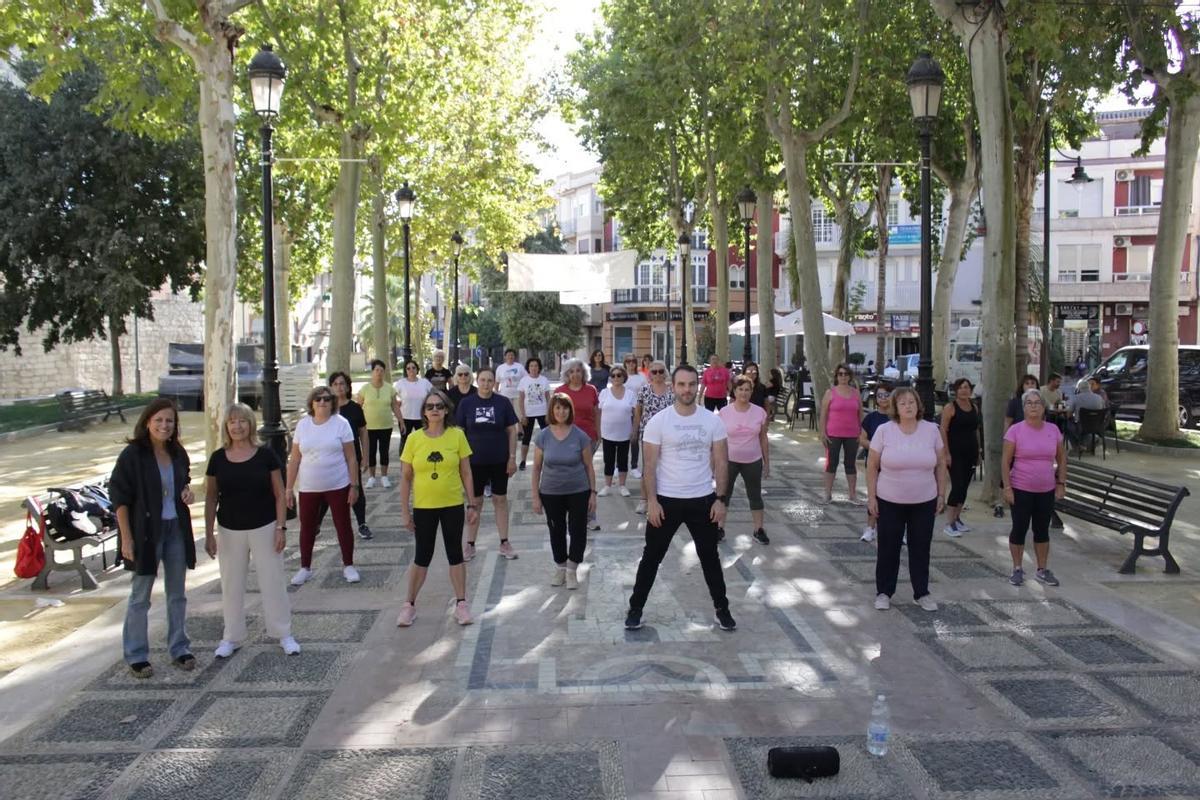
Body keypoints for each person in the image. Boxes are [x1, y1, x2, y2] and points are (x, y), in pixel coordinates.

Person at [626, 365, 735, 631]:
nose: (687, 389)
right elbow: (649, 466)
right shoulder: (658, 422)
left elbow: (722, 463)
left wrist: (721, 500)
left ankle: (722, 609)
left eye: (691, 384)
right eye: (681, 385)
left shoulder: (712, 421)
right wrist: (651, 501)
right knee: (651, 557)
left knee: (710, 558)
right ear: (673, 387)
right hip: (666, 501)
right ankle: (635, 609)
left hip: (703, 501)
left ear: (697, 386)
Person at [110, 398, 197, 678]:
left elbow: (183, 482)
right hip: (146, 533)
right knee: (140, 596)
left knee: (177, 594)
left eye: (169, 421)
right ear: (148, 421)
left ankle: (179, 647)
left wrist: (186, 492)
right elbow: (120, 498)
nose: (164, 425)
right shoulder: (133, 455)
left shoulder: (178, 452)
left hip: (175, 531)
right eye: (158, 420)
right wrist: (126, 538)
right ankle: (136, 654)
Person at [204, 404, 299, 658]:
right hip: (229, 529)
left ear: (250, 424)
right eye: (232, 422)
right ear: (226, 426)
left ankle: (283, 633)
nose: (237, 426)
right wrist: (209, 532)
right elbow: (212, 497)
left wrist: (281, 527)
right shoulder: (217, 458)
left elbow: (280, 494)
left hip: (265, 526)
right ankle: (231, 637)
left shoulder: (265, 455)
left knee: (273, 582)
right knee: (231, 585)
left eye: (242, 421)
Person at [396, 389, 479, 627]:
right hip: (424, 507)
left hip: (452, 504)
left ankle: (461, 604)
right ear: (424, 412)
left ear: (446, 411)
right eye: (430, 406)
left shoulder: (457, 436)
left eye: (439, 406)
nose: (434, 410)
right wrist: (405, 511)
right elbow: (405, 479)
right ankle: (409, 605)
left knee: (455, 554)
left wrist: (472, 503)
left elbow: (466, 472)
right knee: (422, 556)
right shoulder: (414, 439)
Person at [866, 387, 947, 613]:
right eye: (903, 403)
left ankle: (921, 592)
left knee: (921, 547)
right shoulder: (884, 431)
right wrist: (871, 497)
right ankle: (884, 592)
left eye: (912, 402)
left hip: (924, 500)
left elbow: (941, 463)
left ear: (918, 405)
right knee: (888, 548)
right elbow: (872, 465)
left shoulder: (931, 430)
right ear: (895, 408)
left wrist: (941, 493)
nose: (908, 406)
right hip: (889, 500)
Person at [286, 386, 361, 586]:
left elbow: (351, 457)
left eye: (326, 399)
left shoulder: (341, 424)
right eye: (318, 399)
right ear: (311, 402)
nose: (322, 402)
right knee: (307, 527)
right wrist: (288, 488)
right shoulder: (303, 425)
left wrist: (354, 486)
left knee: (342, 524)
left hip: (338, 484)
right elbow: (294, 459)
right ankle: (305, 567)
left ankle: (348, 565)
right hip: (309, 486)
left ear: (332, 402)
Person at [532, 394, 598, 590]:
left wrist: (593, 493)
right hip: (551, 492)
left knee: (578, 530)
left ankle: (572, 569)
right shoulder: (543, 436)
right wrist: (535, 496)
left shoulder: (580, 436)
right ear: (552, 410)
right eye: (557, 408)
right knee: (556, 530)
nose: (561, 412)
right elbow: (536, 467)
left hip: (578, 490)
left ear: (570, 410)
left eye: (565, 408)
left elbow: (589, 466)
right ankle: (560, 566)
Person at [1002, 390, 1066, 587]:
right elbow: (1005, 461)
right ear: (1024, 407)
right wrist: (1007, 488)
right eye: (1029, 403)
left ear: (1043, 406)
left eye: (1037, 403)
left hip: (1045, 490)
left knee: (1042, 530)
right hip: (1021, 488)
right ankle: (1017, 569)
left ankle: (1042, 569)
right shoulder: (1015, 431)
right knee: (1019, 529)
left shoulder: (1053, 430)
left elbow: (1062, 459)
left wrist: (1061, 483)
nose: (1033, 406)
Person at [456, 366, 520, 561]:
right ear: (477, 381)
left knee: (500, 500)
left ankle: (504, 542)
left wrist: (512, 458)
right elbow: (459, 433)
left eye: (489, 380)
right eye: (482, 380)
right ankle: (470, 544)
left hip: (499, 461)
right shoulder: (467, 404)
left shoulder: (503, 402)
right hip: (473, 463)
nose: (486, 384)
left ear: (494, 382)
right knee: (475, 503)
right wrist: (460, 462)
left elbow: (512, 431)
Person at [719, 376, 770, 545]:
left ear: (751, 391)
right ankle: (719, 528)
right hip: (729, 460)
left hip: (753, 460)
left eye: (747, 389)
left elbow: (763, 438)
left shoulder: (759, 412)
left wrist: (766, 462)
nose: (744, 393)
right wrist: (714, 462)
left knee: (755, 495)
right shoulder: (724, 413)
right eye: (740, 389)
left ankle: (758, 529)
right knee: (723, 495)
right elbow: (718, 440)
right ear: (734, 391)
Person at [327, 371, 372, 539]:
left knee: (356, 488)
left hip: (352, 457)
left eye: (342, 384)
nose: (339, 387)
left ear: (347, 387)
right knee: (328, 492)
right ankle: (317, 524)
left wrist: (366, 456)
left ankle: (362, 523)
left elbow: (363, 433)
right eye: (336, 384)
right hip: (330, 458)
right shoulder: (327, 408)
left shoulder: (355, 408)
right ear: (331, 387)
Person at [559, 357, 602, 529]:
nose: (575, 374)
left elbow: (596, 413)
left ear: (583, 373)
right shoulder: (561, 391)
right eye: (571, 371)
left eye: (578, 370)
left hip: (588, 438)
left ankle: (590, 516)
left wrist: (599, 433)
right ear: (567, 374)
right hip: (566, 439)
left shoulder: (591, 390)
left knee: (587, 474)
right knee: (570, 475)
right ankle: (572, 513)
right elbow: (555, 416)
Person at [940, 378, 981, 538]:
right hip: (955, 452)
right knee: (957, 486)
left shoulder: (974, 407)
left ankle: (957, 518)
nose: (964, 390)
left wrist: (978, 452)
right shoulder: (950, 408)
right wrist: (946, 453)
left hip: (970, 451)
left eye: (967, 387)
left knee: (964, 487)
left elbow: (976, 430)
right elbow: (943, 430)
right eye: (961, 387)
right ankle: (949, 522)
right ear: (956, 390)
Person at [632, 360, 674, 513]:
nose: (658, 374)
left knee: (666, 467)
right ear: (650, 374)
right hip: (648, 434)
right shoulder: (644, 390)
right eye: (654, 372)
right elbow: (638, 412)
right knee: (648, 467)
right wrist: (635, 431)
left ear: (665, 373)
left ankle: (664, 498)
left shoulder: (672, 390)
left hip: (668, 435)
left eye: (661, 371)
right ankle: (644, 500)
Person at [819, 364, 864, 504]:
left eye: (845, 374)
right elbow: (823, 414)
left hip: (853, 434)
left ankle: (852, 494)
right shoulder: (830, 393)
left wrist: (862, 431)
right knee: (831, 463)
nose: (843, 376)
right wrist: (822, 432)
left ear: (850, 376)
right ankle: (827, 494)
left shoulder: (856, 393)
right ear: (836, 376)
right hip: (833, 434)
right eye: (840, 374)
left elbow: (860, 414)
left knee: (850, 464)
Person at [856, 384, 893, 542]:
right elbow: (862, 439)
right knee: (874, 494)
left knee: (895, 496)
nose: (883, 398)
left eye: (886, 395)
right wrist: (875, 447)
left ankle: (897, 529)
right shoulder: (871, 418)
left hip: (894, 464)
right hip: (875, 462)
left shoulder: (898, 418)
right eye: (880, 395)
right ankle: (870, 528)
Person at [356, 359, 400, 489]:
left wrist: (401, 420)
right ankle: (371, 477)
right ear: (372, 372)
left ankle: (384, 477)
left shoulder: (389, 389)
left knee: (384, 451)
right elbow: (358, 407)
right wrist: (358, 425)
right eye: (376, 370)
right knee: (371, 452)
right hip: (369, 427)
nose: (379, 373)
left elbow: (395, 406)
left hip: (386, 425)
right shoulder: (365, 389)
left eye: (381, 370)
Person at [598, 364, 637, 496]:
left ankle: (622, 486)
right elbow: (598, 412)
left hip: (624, 433)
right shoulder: (604, 393)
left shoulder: (630, 394)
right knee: (608, 459)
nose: (616, 378)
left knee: (623, 459)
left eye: (619, 375)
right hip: (607, 432)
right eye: (613, 375)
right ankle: (607, 486)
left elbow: (636, 413)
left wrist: (635, 430)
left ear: (624, 377)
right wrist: (597, 430)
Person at [517, 357, 552, 471]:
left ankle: (548, 459)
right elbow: (521, 399)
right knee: (526, 438)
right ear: (528, 367)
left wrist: (548, 414)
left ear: (539, 367)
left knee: (547, 437)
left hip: (542, 412)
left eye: (536, 366)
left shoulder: (544, 380)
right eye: (531, 366)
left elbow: (548, 397)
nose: (533, 368)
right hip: (528, 413)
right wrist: (523, 415)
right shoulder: (524, 381)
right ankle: (523, 460)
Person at [394, 359, 433, 443]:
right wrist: (397, 402)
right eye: (408, 368)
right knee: (405, 441)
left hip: (422, 417)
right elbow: (392, 396)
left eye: (413, 367)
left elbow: (434, 394)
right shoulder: (401, 383)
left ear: (417, 369)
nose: (411, 370)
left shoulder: (424, 382)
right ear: (405, 370)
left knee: (423, 440)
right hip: (405, 417)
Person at [622, 354, 647, 476]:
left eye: (633, 361)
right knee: (621, 439)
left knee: (634, 438)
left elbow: (645, 393)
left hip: (637, 410)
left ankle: (634, 466)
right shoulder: (621, 376)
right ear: (625, 363)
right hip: (622, 411)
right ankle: (619, 465)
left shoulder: (641, 377)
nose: (631, 363)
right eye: (628, 361)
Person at [1066, 377, 1108, 452]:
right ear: (1089, 388)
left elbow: (1068, 415)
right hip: (1097, 426)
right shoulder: (1099, 398)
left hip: (1081, 426)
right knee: (1084, 428)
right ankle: (1086, 443)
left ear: (1078, 389)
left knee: (1066, 424)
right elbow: (1103, 410)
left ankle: (1077, 447)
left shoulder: (1076, 398)